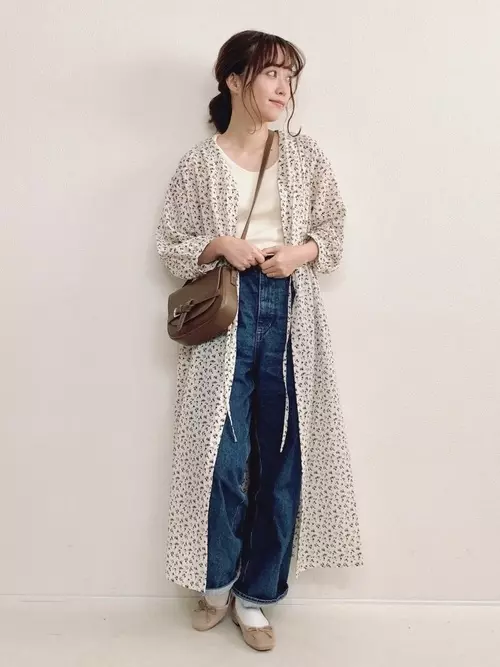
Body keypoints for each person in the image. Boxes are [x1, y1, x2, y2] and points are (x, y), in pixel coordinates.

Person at [156, 30, 364, 652]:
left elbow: (333, 226)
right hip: (225, 314)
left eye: (290, 77)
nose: (284, 88)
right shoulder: (199, 163)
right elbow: (170, 243)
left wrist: (299, 252)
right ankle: (217, 583)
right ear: (234, 79)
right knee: (220, 457)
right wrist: (219, 244)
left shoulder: (305, 156)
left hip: (290, 310)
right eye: (272, 73)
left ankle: (257, 595)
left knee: (282, 458)